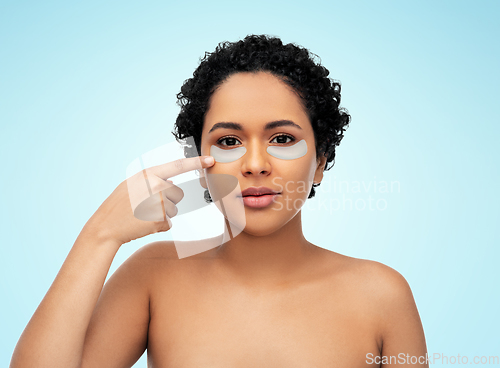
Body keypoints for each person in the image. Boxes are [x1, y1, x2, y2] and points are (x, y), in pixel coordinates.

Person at [10, 34, 428, 367]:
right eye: (228, 141)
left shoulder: (381, 295)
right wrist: (98, 236)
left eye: (283, 139)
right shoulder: (153, 277)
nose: (256, 164)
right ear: (200, 163)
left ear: (320, 162)